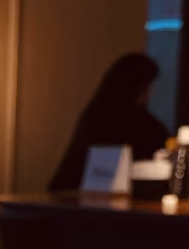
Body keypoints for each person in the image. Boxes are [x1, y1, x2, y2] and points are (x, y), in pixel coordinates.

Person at [49, 53, 170, 192]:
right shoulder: (134, 122)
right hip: (90, 200)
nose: (151, 92)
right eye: (149, 86)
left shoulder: (96, 114)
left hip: (72, 196)